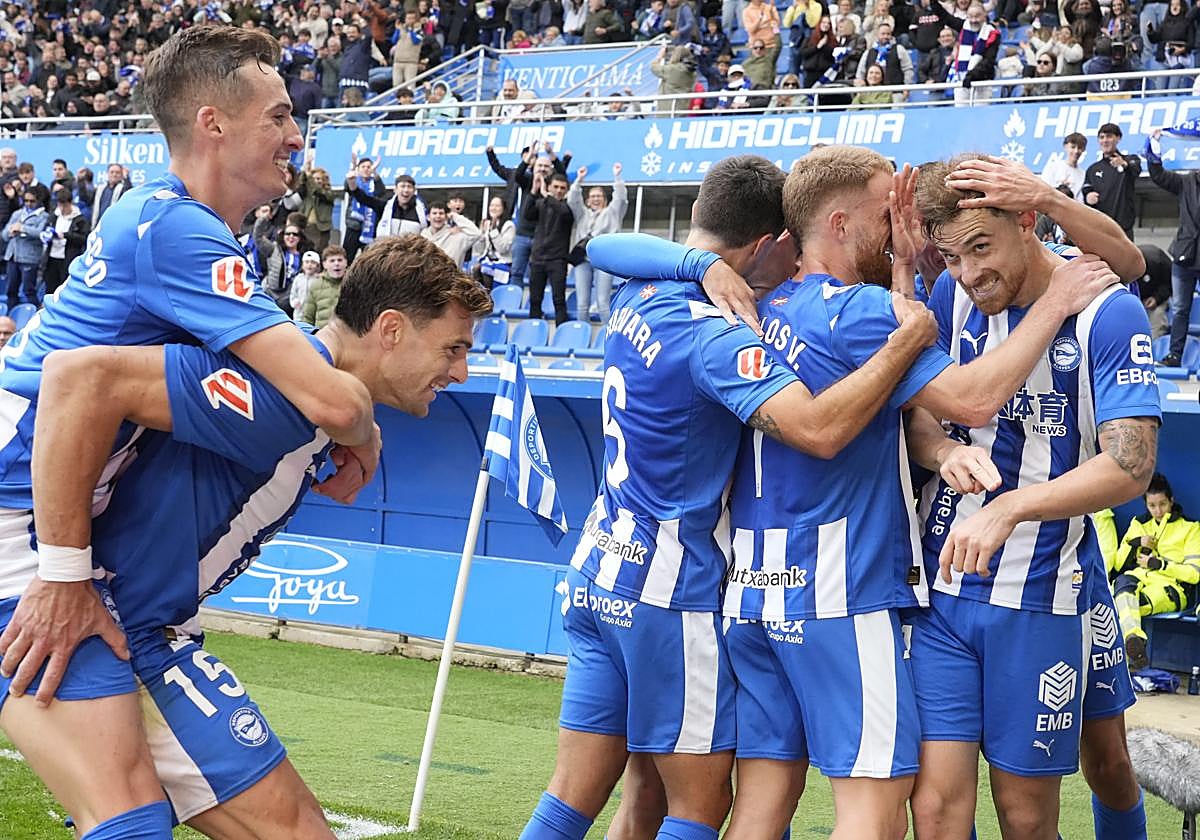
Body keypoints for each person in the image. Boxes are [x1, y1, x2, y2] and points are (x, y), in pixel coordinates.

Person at [0, 25, 379, 840]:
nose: (295, 135)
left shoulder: (165, 218)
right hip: (17, 533)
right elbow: (334, 401)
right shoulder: (178, 231)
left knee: (139, 813)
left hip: (40, 521)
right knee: (129, 815)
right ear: (213, 123)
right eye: (279, 116)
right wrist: (64, 576)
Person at [519, 154, 942, 840]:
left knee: (586, 793)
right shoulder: (712, 332)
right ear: (768, 244)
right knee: (699, 805)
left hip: (601, 565)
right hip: (670, 586)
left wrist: (697, 264)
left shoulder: (639, 284)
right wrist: (904, 344)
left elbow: (596, 243)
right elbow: (817, 429)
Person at [10, 235, 490, 839]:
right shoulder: (280, 399)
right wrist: (63, 572)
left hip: (153, 630)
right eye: (453, 348)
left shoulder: (310, 399)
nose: (461, 370)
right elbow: (83, 377)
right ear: (391, 329)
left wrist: (355, 424)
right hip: (125, 630)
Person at [907, 155, 1159, 840]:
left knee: (1084, 776)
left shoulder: (1106, 311)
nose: (968, 273)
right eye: (952, 257)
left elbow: (1131, 467)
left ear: (1028, 221)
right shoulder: (950, 296)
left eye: (981, 249)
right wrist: (942, 450)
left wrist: (1013, 505)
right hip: (943, 591)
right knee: (933, 811)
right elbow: (920, 415)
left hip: (1048, 591)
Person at [1112, 473, 1200, 670]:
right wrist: (1136, 542)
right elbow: (1118, 564)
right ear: (1145, 504)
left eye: (1162, 504)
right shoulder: (1140, 524)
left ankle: (1130, 653)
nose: (1158, 511)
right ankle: (1134, 639)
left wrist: (1160, 565)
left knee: (1124, 605)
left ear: (1171, 501)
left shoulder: (1191, 528)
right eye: (1152, 506)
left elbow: (1194, 575)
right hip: (1137, 579)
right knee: (1123, 584)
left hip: (1171, 588)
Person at [1144, 129, 1200, 368]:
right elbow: (1157, 175)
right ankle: (1175, 355)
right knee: (1180, 309)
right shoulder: (1186, 181)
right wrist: (1154, 147)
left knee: (1181, 309)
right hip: (1185, 257)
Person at [567, 163, 628, 325]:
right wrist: (579, 180)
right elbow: (572, 199)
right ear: (587, 200)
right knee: (582, 303)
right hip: (582, 261)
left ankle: (608, 337)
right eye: (592, 196)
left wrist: (617, 177)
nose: (595, 199)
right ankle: (581, 336)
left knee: (602, 302)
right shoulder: (582, 214)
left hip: (603, 260)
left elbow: (621, 198)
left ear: (605, 200)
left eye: (599, 196)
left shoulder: (612, 213)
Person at [523, 170, 576, 325]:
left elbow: (563, 213)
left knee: (559, 300)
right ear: (550, 186)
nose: (559, 190)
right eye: (556, 187)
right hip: (538, 258)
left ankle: (561, 331)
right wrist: (534, 191)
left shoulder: (567, 207)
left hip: (557, 260)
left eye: (562, 188)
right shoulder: (542, 203)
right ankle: (533, 330)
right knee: (535, 299)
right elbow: (527, 214)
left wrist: (547, 195)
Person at [1083, 123, 1141, 241]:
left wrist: (1123, 164)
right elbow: (1086, 189)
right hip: (1100, 228)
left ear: (1118, 138)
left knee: (1125, 259)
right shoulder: (1093, 169)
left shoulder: (1130, 159)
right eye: (1101, 137)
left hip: (1124, 228)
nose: (1105, 140)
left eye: (1109, 136)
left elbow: (1135, 169)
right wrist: (1088, 196)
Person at [2, 188, 49, 311]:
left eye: (32, 201)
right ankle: (11, 316)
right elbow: (4, 235)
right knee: (11, 290)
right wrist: (10, 232)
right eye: (25, 200)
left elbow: (41, 234)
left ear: (39, 200)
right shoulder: (17, 214)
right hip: (12, 255)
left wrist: (23, 228)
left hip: (30, 258)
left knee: (28, 290)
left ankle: (35, 314)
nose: (28, 203)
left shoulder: (44, 216)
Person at [42, 187, 90, 298]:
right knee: (50, 290)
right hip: (52, 257)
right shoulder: (54, 216)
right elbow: (46, 229)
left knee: (65, 290)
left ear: (71, 203)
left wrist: (66, 235)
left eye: (65, 206)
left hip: (68, 259)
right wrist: (47, 235)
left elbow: (84, 239)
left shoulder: (80, 219)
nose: (62, 209)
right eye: (60, 205)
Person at [340, 156, 386, 262]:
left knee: (369, 260)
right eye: (363, 167)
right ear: (358, 169)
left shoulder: (374, 183)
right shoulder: (355, 182)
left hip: (370, 226)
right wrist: (352, 168)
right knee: (348, 257)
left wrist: (375, 173)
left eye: (369, 167)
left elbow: (381, 191)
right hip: (354, 226)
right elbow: (348, 186)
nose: (366, 169)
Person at [472, 196, 517, 289]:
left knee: (484, 268)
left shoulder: (509, 225)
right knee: (475, 268)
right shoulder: (487, 223)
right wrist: (481, 235)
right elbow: (478, 251)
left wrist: (493, 231)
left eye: (497, 206)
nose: (493, 208)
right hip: (487, 261)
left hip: (503, 262)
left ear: (503, 208)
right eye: (491, 205)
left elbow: (503, 249)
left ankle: (490, 296)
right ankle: (481, 297)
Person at [302, 245, 350, 328]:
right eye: (332, 261)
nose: (336, 263)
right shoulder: (316, 285)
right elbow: (308, 317)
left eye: (340, 260)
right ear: (324, 264)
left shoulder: (353, 284)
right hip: (321, 336)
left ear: (346, 262)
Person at [421, 202, 480, 266]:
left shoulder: (457, 237)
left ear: (446, 217)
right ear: (428, 217)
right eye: (434, 213)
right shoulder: (422, 237)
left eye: (441, 213)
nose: (438, 216)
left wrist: (454, 216)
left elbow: (476, 233)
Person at [1040, 132, 1088, 200]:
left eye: (1079, 148)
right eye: (1073, 147)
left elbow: (1080, 200)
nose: (1076, 151)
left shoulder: (1083, 174)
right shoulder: (1053, 167)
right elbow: (1044, 190)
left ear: (1083, 149)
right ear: (1065, 146)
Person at [291, 249, 323, 315]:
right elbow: (293, 294)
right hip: (299, 314)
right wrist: (294, 302)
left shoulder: (319, 279)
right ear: (302, 264)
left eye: (313, 262)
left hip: (313, 314)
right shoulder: (298, 278)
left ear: (317, 266)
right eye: (307, 262)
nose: (309, 265)